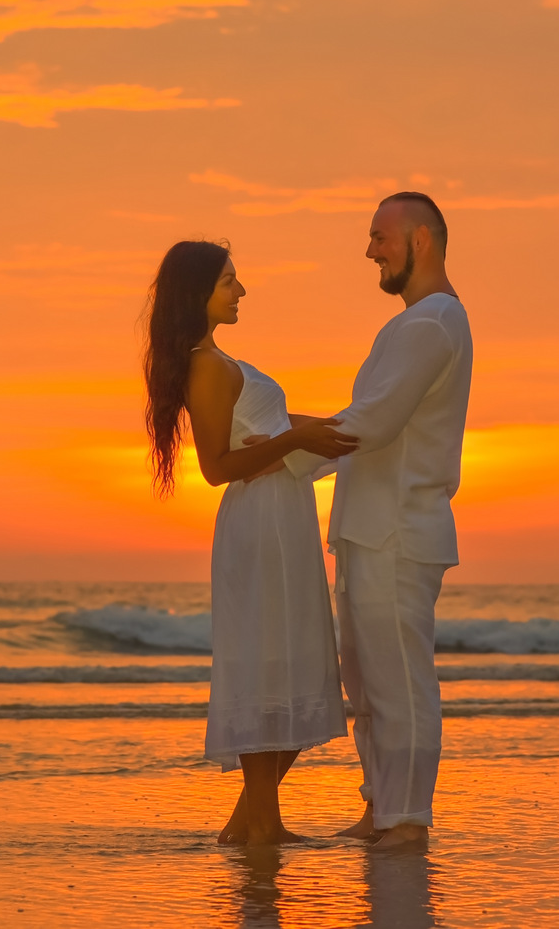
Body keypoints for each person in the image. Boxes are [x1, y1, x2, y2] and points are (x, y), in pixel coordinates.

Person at [143, 240, 358, 846]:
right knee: (272, 661)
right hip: (258, 524)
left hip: (281, 517)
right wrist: (297, 442)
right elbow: (217, 465)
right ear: (199, 293)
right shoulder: (205, 365)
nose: (241, 291)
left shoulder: (221, 359)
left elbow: (275, 428)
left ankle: (253, 824)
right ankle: (260, 822)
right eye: (230, 281)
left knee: (295, 660)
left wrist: (355, 427)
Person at [284, 192, 473, 849]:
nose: (369, 250)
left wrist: (268, 443)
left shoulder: (432, 322)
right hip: (371, 528)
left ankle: (407, 818)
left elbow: (373, 422)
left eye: (378, 236)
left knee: (399, 679)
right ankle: (382, 806)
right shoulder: (413, 324)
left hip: (397, 531)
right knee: (366, 680)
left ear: (421, 238)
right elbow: (365, 428)